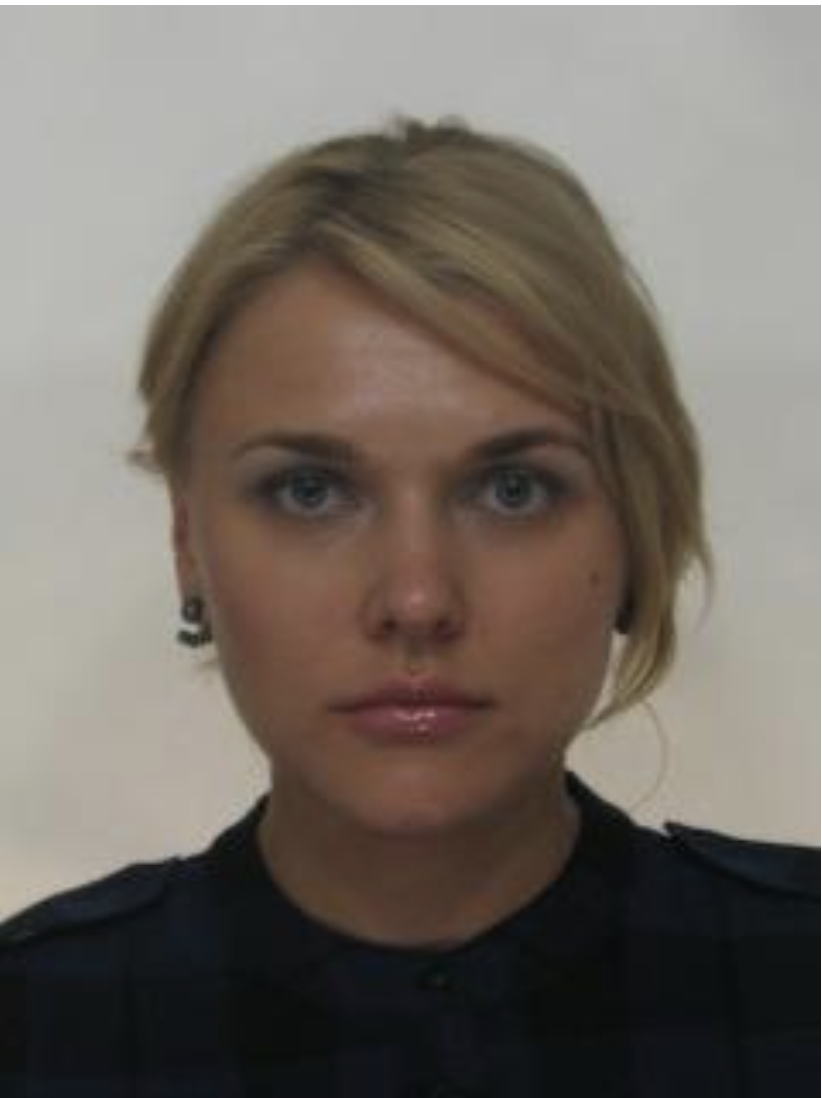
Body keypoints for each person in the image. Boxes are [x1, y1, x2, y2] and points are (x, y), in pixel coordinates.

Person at [0, 115, 817, 1097]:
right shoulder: (36, 1027)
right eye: (310, 491)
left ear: (636, 528)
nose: (418, 600)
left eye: (513, 489)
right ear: (189, 544)